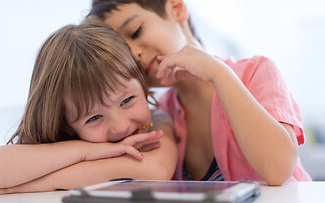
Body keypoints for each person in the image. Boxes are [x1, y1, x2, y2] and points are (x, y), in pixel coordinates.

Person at [88, 0, 312, 185]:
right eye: (123, 51)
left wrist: (218, 73)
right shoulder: (158, 115)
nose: (134, 54)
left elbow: (278, 169)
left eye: (136, 31)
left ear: (176, 9)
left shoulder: (257, 72)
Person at [0, 18, 177, 195]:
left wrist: (46, 182)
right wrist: (84, 152)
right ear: (66, 125)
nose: (121, 126)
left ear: (142, 84)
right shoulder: (66, 141)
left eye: (127, 100)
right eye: (94, 117)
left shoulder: (157, 123)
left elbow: (157, 170)